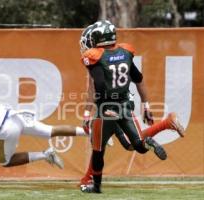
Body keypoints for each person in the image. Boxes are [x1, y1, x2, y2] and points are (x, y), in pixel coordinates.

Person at [79, 20, 184, 193]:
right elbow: (139, 78)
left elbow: (97, 85)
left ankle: (95, 186)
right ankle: (148, 143)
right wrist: (147, 105)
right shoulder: (124, 52)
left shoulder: (95, 56)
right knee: (137, 145)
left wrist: (93, 111)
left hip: (107, 109)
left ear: (99, 38)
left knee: (98, 149)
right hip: (125, 105)